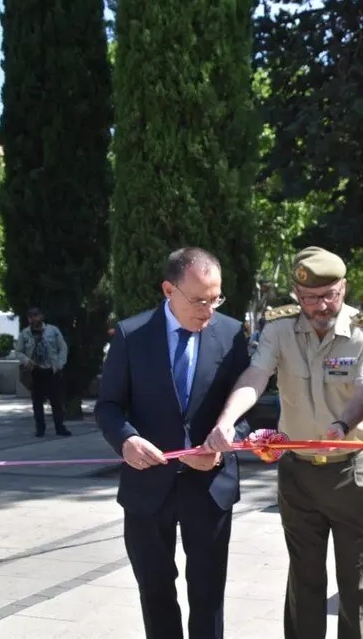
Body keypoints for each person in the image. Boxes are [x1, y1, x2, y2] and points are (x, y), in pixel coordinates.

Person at [204, 246, 363, 639]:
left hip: (352, 472)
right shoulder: (279, 329)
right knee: (303, 580)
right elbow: (256, 375)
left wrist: (342, 423)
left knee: (356, 584)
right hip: (298, 475)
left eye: (330, 295)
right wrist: (227, 420)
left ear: (344, 287)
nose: (321, 306)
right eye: (309, 298)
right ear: (295, 294)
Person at [95, 247, 252, 639]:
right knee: (155, 591)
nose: (208, 310)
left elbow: (245, 413)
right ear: (169, 290)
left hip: (210, 487)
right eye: (199, 300)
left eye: (215, 298)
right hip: (148, 488)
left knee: (208, 596)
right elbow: (109, 407)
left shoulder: (231, 334)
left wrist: (223, 446)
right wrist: (126, 441)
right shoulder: (133, 335)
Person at [15, 307, 71, 437]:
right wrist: (27, 361)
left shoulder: (52, 331)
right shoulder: (25, 334)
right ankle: (40, 428)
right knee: (37, 402)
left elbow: (62, 347)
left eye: (36, 316)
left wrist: (60, 364)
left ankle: (60, 427)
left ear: (41, 316)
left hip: (51, 370)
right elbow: (18, 351)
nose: (34, 319)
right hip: (35, 371)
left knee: (56, 401)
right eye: (31, 317)